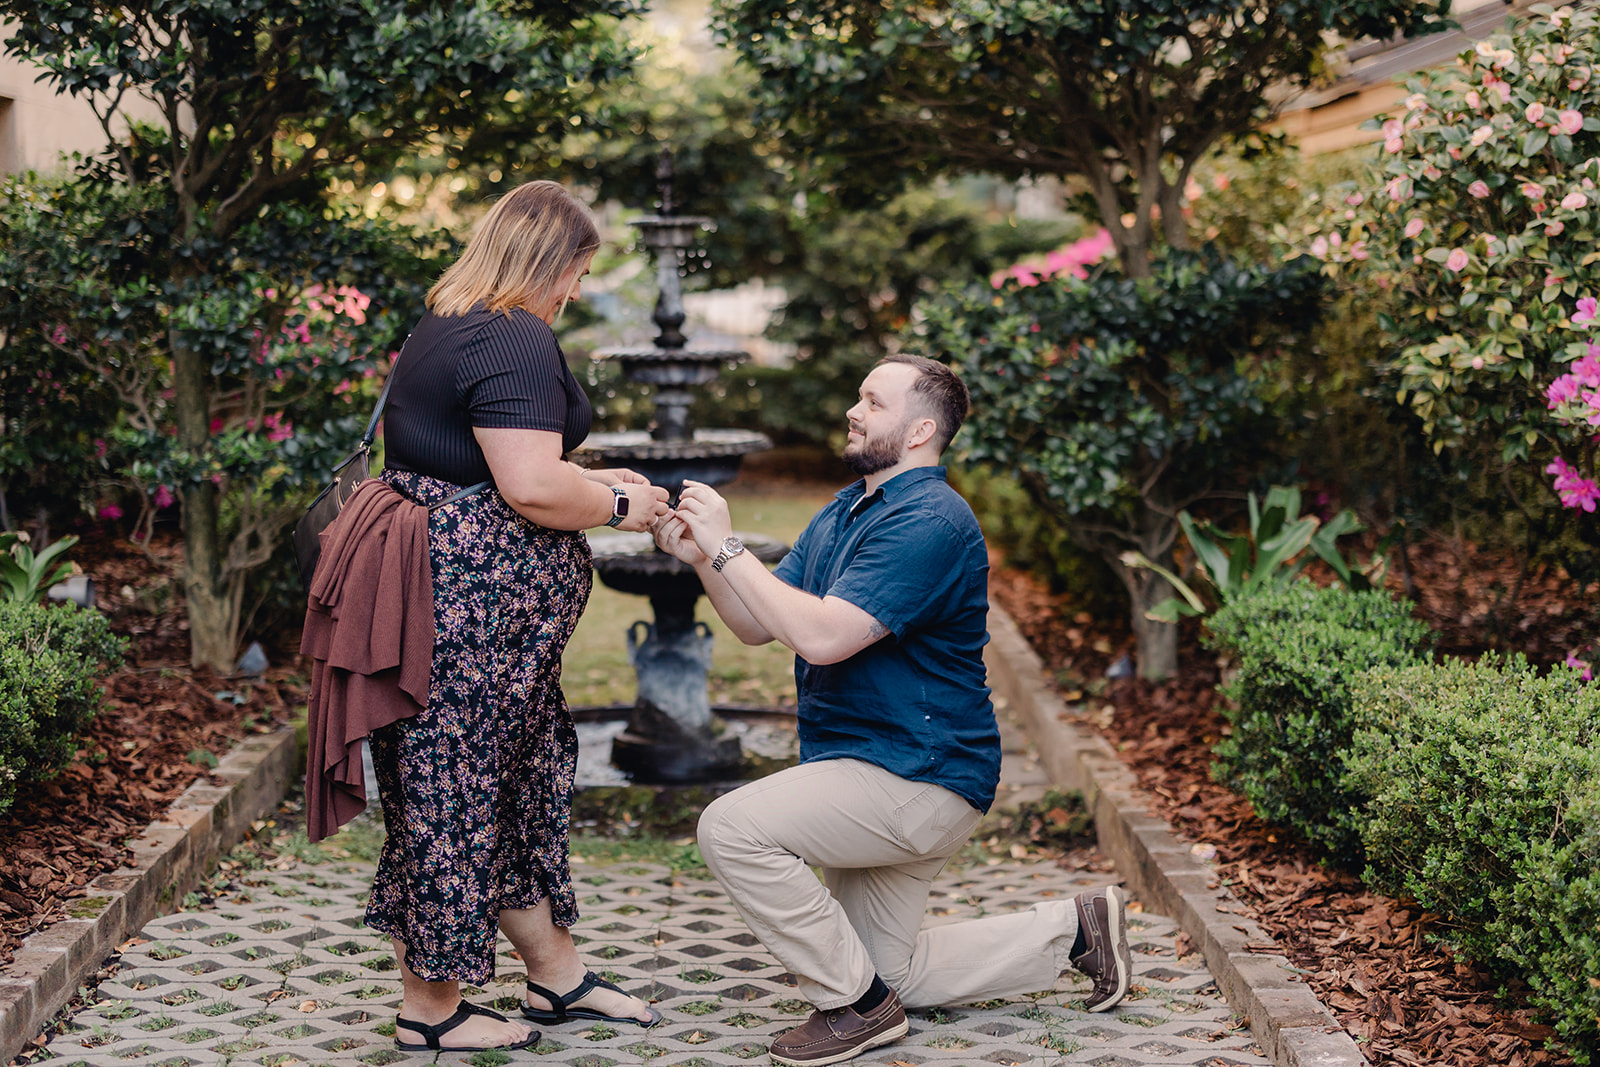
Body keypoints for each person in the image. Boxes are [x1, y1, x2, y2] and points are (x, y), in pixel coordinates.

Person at [653, 354, 1133, 1067]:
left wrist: (729, 544)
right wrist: (704, 559)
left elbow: (822, 637)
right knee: (889, 970)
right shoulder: (846, 509)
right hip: (870, 767)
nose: (854, 409)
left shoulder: (933, 521)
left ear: (920, 430)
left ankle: (856, 1009)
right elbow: (759, 623)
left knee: (732, 827)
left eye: (873, 402)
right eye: (858, 396)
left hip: (919, 775)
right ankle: (1075, 930)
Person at [368, 180, 672, 1053]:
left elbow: (498, 458)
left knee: (514, 783)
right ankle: (430, 1007)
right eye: (577, 268)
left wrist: (603, 486)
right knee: (452, 791)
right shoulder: (515, 336)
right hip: (473, 621)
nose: (576, 289)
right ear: (548, 259)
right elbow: (533, 485)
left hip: (474, 619)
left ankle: (557, 975)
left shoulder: (446, 326)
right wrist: (619, 502)